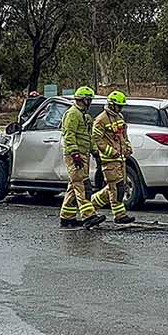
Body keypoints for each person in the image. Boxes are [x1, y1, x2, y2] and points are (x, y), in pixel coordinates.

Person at [60, 86, 105, 229]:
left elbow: (88, 137)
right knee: (82, 185)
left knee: (74, 187)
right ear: (83, 99)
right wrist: (75, 153)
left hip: (83, 154)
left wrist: (95, 152)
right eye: (89, 99)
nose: (90, 102)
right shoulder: (72, 114)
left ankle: (67, 218)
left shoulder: (85, 116)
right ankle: (89, 215)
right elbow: (69, 135)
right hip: (75, 156)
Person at [90, 90, 135, 225]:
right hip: (109, 160)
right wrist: (111, 152)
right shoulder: (101, 120)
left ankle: (91, 205)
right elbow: (97, 139)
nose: (121, 109)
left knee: (114, 187)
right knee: (116, 187)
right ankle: (119, 215)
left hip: (120, 159)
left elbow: (123, 136)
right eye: (119, 106)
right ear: (111, 104)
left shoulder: (119, 117)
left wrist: (127, 147)